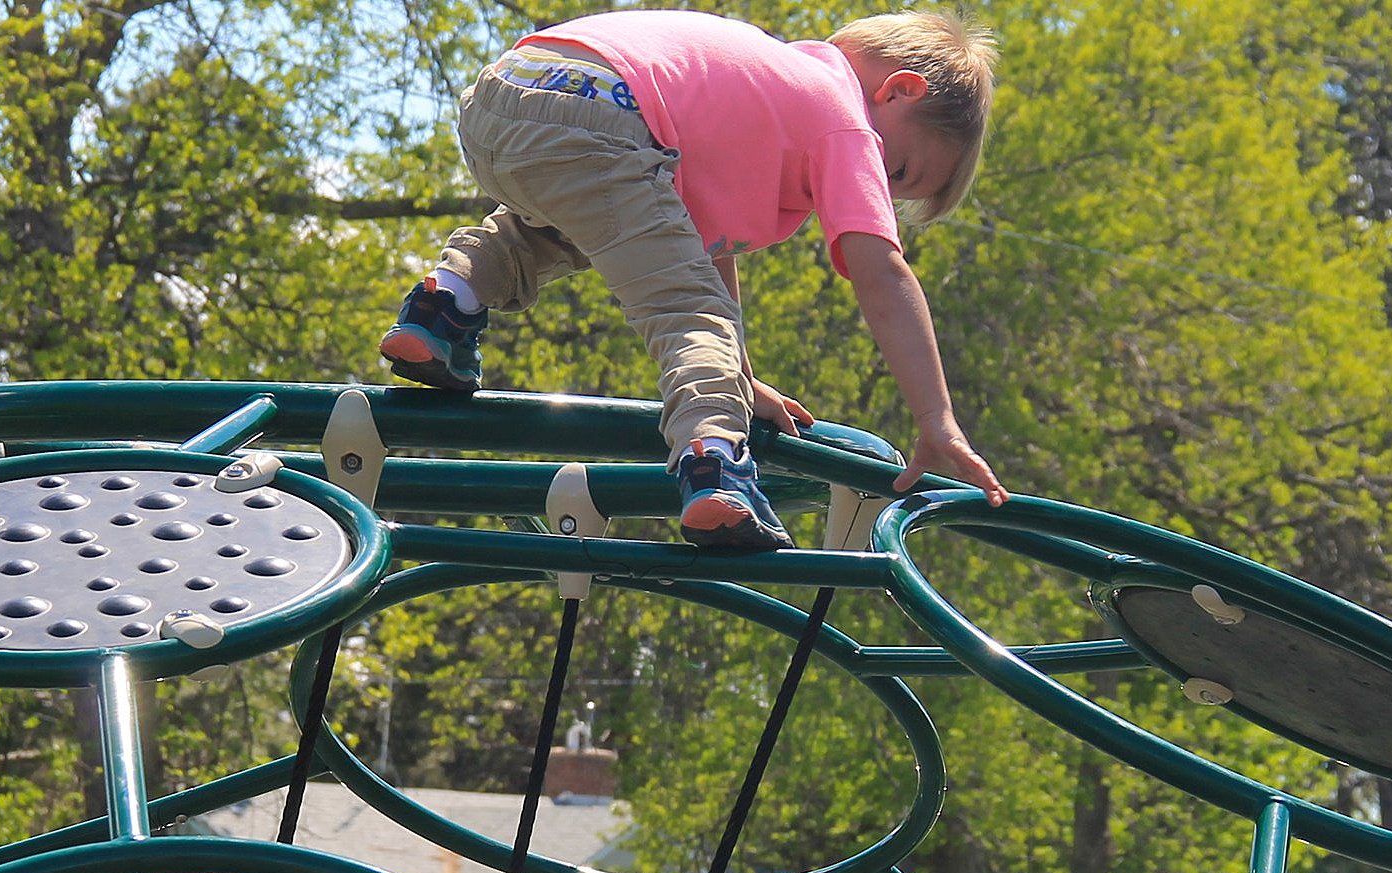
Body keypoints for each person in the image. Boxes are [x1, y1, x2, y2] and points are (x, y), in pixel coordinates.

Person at [376, 8, 1011, 551]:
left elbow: (699, 247)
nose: (881, 184)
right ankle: (713, 468)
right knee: (689, 319)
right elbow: (882, 273)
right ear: (899, 91)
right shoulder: (842, 116)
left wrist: (740, 374)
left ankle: (442, 309)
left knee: (547, 233)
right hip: (604, 112)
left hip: (507, 94)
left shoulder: (759, 80)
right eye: (897, 170)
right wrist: (936, 417)